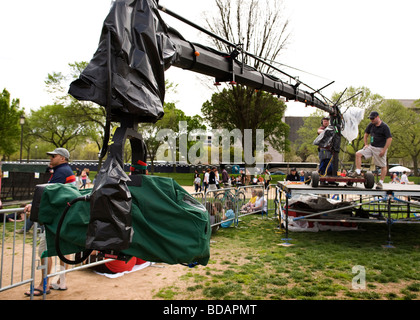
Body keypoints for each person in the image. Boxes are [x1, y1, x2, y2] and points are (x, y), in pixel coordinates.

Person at [24, 147, 76, 297]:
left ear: (63, 158)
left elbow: (51, 195)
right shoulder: (65, 171)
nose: (50, 158)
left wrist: (34, 206)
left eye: (54, 156)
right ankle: (62, 281)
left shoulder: (61, 172)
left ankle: (43, 285)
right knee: (62, 250)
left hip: (57, 220)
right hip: (63, 218)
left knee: (44, 250)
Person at [349, 111, 392, 190]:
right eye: (370, 119)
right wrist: (366, 144)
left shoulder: (385, 127)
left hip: (380, 148)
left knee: (383, 165)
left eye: (373, 118)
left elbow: (389, 139)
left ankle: (380, 183)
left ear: (377, 117)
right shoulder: (371, 125)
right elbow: (366, 134)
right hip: (371, 147)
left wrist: (384, 150)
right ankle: (358, 171)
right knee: (358, 154)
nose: (371, 120)